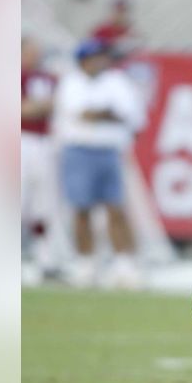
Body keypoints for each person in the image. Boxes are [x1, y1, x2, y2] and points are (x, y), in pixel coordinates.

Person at [54, 39, 147, 288]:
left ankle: (124, 264)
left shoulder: (116, 82)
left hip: (109, 151)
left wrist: (103, 114)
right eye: (95, 57)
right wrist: (107, 114)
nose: (101, 61)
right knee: (81, 209)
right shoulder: (71, 82)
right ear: (83, 61)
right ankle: (85, 263)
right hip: (79, 150)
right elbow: (82, 113)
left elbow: (128, 114)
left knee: (115, 208)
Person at [21, 35, 56, 282]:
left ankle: (44, 258)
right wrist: (39, 107)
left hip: (44, 142)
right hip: (20, 139)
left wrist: (35, 107)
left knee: (43, 204)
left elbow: (60, 104)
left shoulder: (47, 77)